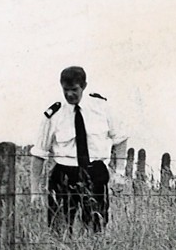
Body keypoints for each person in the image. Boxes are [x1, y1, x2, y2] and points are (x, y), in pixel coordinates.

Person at [30, 66, 128, 233]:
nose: (69, 95)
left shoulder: (102, 107)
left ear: (84, 86)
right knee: (58, 229)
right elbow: (39, 154)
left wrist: (119, 173)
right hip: (64, 175)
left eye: (74, 90)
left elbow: (120, 139)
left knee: (96, 228)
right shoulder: (54, 114)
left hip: (95, 172)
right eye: (65, 90)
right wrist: (34, 192)